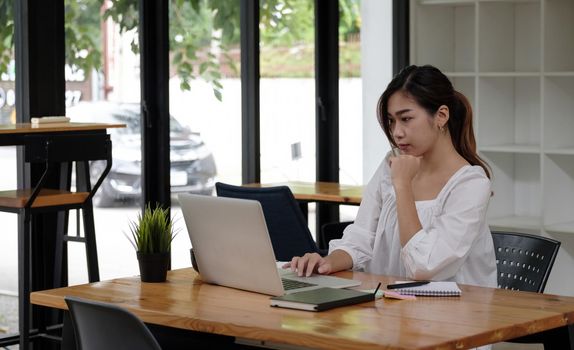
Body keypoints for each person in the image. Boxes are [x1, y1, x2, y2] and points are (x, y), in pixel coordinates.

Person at [286, 65, 497, 288]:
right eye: (391, 121)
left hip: (457, 315)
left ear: (441, 116)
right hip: (392, 306)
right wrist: (326, 263)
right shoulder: (391, 164)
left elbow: (424, 266)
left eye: (406, 119)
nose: (396, 132)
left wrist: (403, 185)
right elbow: (361, 238)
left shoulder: (470, 184)